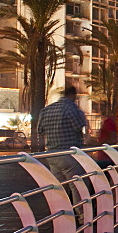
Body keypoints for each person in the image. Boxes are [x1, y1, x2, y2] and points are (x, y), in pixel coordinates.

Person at [37, 85, 88, 217]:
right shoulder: (71, 108)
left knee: (59, 187)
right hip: (69, 153)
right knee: (77, 185)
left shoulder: (46, 110)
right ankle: (82, 215)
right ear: (73, 95)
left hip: (52, 154)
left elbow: (40, 131)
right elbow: (79, 125)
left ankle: (61, 215)